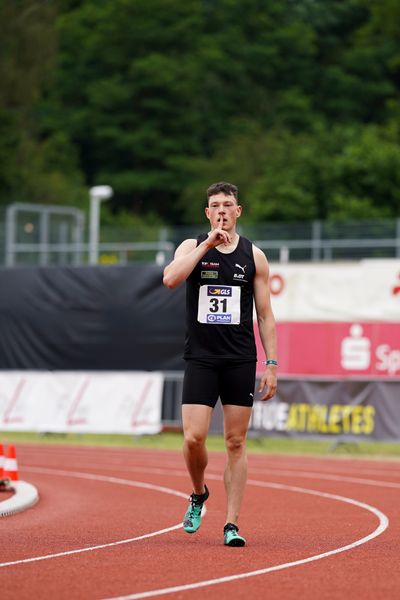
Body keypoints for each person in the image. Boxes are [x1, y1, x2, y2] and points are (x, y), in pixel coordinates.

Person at [163, 181, 277, 547]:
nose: (222, 210)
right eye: (215, 205)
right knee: (194, 438)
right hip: (201, 357)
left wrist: (271, 363)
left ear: (238, 211)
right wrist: (208, 245)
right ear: (207, 212)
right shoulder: (192, 246)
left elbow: (266, 316)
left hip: (239, 359)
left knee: (235, 442)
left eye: (229, 204)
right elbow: (170, 279)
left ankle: (231, 524)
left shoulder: (254, 256)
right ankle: (198, 493)